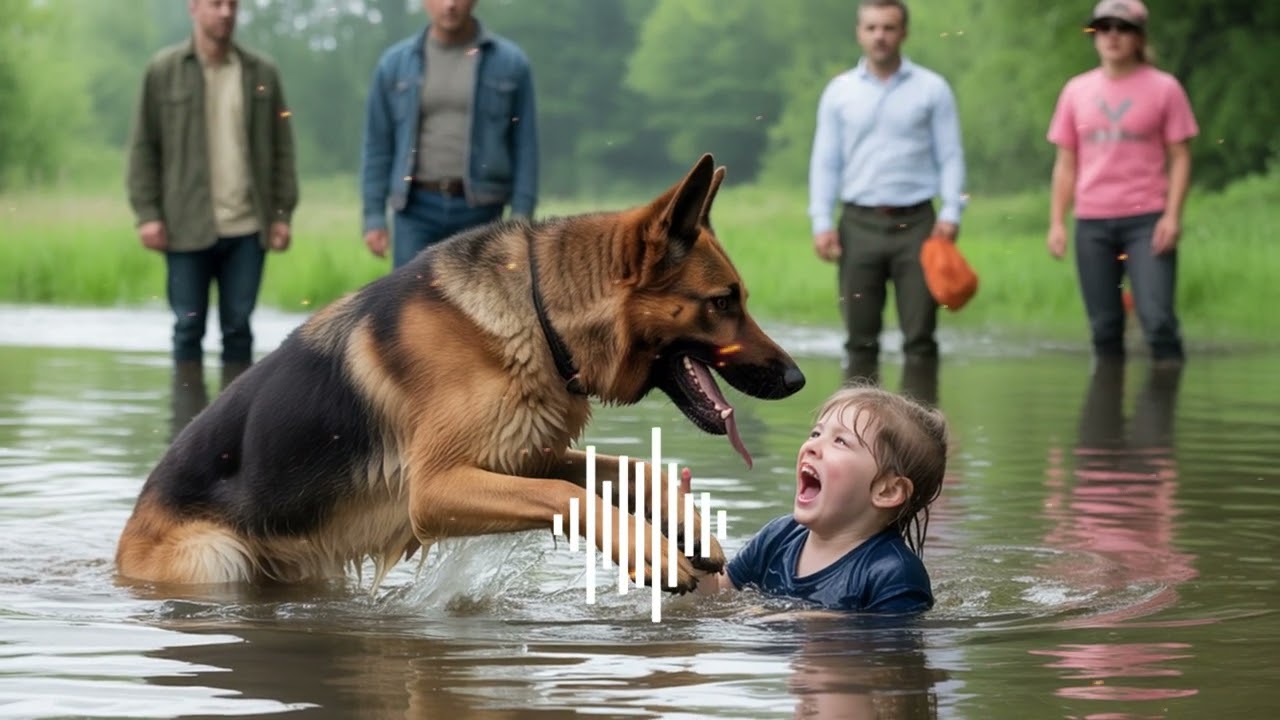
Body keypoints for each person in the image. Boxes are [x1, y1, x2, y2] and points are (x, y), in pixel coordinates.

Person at [126, 0, 298, 385]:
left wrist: (282, 215)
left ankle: (231, 431)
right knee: (188, 328)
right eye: (215, 4)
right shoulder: (163, 71)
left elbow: (282, 147)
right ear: (194, 8)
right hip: (185, 223)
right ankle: (185, 427)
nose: (225, 13)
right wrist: (148, 213)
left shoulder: (261, 72)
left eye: (232, 5)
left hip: (248, 225)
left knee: (238, 328)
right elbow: (143, 147)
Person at [808, 0, 967, 382]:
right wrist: (821, 221)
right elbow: (825, 161)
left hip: (918, 224)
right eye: (872, 27)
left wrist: (951, 213)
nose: (880, 36)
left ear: (904, 33)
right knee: (859, 339)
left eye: (889, 27)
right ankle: (857, 433)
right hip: (858, 223)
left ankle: (922, 433)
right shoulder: (839, 92)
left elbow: (951, 155)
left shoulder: (932, 89)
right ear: (859, 32)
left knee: (920, 338)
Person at [698, 384, 948, 613]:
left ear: (887, 491)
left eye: (840, 441)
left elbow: (885, 647)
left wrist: (794, 618)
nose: (811, 446)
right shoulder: (778, 536)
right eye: (816, 433)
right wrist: (691, 544)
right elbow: (715, 598)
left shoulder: (894, 574)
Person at [1046, 0, 1199, 366]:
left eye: (1122, 27)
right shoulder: (1076, 91)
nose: (1112, 35)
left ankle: (1165, 415)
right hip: (1093, 222)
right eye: (1103, 27)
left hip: (1147, 220)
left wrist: (1172, 217)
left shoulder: (1165, 88)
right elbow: (1066, 163)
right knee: (1104, 327)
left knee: (1158, 321)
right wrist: (1056, 222)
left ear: (1139, 36)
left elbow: (1180, 157)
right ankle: (1108, 417)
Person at [360, 0, 539, 270]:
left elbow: (525, 146)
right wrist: (373, 217)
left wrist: (522, 215)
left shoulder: (511, 64)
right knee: (410, 307)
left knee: (479, 306)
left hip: (481, 209)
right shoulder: (395, 65)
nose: (450, 4)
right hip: (414, 208)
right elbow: (378, 145)